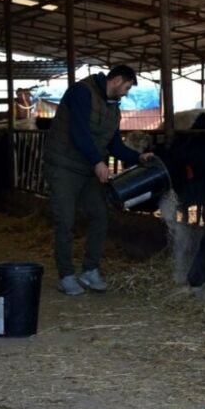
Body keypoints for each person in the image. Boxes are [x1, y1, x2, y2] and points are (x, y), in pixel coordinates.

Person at [44, 65, 153, 295]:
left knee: (100, 215)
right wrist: (97, 162)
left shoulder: (113, 109)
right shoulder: (82, 92)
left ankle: (90, 270)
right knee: (65, 219)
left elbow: (114, 144)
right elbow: (79, 131)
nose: (126, 93)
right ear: (117, 80)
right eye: (127, 87)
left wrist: (137, 157)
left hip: (88, 169)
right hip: (64, 165)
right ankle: (66, 275)